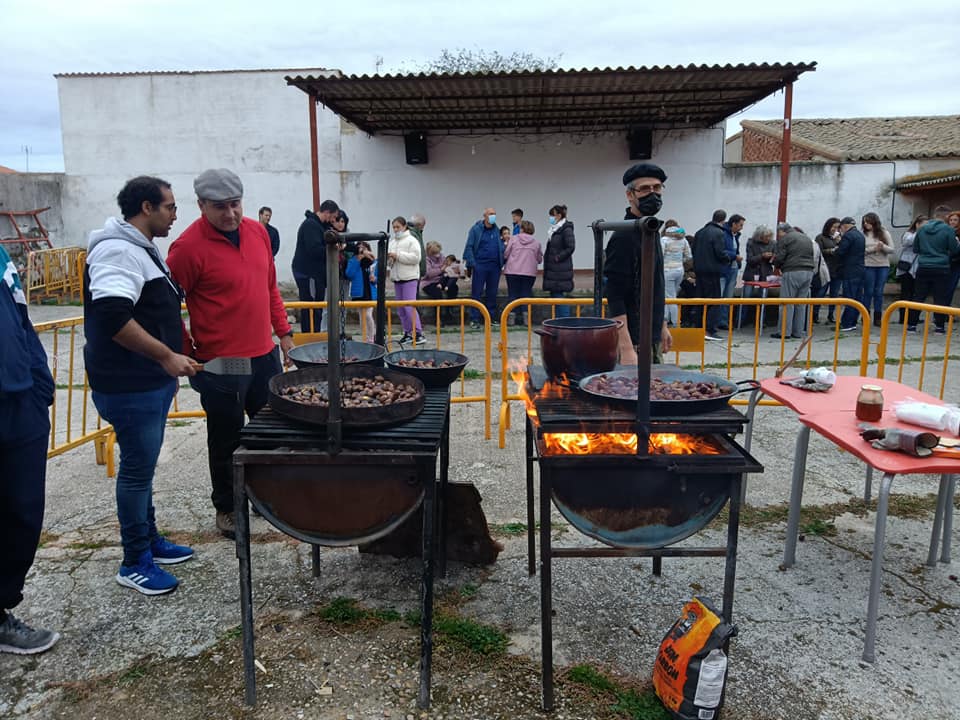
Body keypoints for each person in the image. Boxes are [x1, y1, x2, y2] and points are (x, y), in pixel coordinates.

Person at [84, 176, 198, 595]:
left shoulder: (139, 250)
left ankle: (149, 540)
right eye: (169, 206)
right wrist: (166, 356)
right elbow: (113, 317)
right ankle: (134, 560)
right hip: (129, 384)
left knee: (143, 467)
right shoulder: (117, 250)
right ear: (146, 208)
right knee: (135, 472)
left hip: (146, 381)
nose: (174, 214)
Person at [167, 168, 295, 539]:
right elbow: (168, 306)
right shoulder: (186, 249)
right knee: (226, 437)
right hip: (220, 362)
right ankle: (227, 507)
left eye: (235, 205)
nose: (230, 214)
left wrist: (284, 333)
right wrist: (187, 353)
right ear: (202, 205)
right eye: (220, 207)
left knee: (270, 431)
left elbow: (270, 287)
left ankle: (264, 497)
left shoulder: (257, 232)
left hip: (263, 354)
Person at [0, 244, 59, 654]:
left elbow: (21, 319)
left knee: (22, 512)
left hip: (21, 403)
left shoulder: (1, 255)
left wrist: (40, 383)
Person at [603, 163, 673, 365]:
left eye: (657, 188)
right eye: (644, 189)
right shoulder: (624, 236)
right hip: (633, 340)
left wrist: (661, 325)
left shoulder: (651, 231)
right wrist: (625, 348)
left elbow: (655, 285)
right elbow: (615, 294)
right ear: (630, 195)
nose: (652, 194)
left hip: (650, 337)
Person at [908, 207, 960, 333]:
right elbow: (954, 250)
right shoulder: (948, 230)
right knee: (940, 297)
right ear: (946, 217)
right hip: (941, 267)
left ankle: (911, 325)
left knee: (919, 296)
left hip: (924, 266)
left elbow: (916, 249)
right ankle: (939, 327)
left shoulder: (922, 229)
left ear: (934, 215)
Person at [292, 199, 339, 332]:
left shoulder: (320, 226)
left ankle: (314, 333)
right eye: (333, 217)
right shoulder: (310, 226)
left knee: (316, 307)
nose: (333, 220)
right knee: (311, 308)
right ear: (326, 212)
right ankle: (310, 336)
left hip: (316, 274)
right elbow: (314, 250)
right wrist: (333, 249)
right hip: (309, 274)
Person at [770, 222, 815, 339]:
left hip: (793, 271)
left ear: (781, 231)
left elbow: (780, 257)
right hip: (808, 271)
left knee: (787, 303)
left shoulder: (786, 238)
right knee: (801, 304)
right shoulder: (806, 238)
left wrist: (775, 263)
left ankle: (784, 332)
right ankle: (798, 332)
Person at [463, 208, 504, 329]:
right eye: (491, 214)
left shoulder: (497, 230)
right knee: (477, 292)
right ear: (485, 216)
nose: (493, 216)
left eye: (494, 214)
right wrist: (473, 263)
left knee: (492, 292)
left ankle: (490, 317)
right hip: (480, 265)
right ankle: (474, 318)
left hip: (494, 266)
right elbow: (469, 246)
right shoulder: (476, 229)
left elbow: (500, 246)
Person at [692, 210, 730, 341]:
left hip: (699, 270)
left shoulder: (700, 232)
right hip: (712, 271)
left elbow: (693, 250)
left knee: (700, 300)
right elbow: (720, 252)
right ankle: (709, 329)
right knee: (714, 301)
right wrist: (728, 259)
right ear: (723, 220)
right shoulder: (719, 233)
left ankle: (698, 328)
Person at [389, 216, 423, 344]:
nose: (396, 229)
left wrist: (398, 256)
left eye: (398, 227)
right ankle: (408, 331)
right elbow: (390, 262)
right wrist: (390, 260)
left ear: (404, 227)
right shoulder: (392, 242)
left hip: (409, 278)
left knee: (409, 307)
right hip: (397, 278)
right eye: (394, 227)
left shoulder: (412, 241)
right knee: (401, 308)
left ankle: (418, 332)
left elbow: (416, 258)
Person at [503, 219, 543, 326]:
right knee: (526, 294)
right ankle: (526, 320)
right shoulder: (536, 243)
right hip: (529, 273)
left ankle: (511, 319)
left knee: (512, 294)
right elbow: (539, 259)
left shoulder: (513, 239)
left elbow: (506, 254)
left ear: (522, 229)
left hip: (512, 271)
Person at [860, 212, 894, 328]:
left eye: (868, 221)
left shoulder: (884, 233)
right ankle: (865, 316)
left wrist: (882, 246)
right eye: (864, 222)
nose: (866, 224)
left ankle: (878, 317)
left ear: (874, 222)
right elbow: (861, 251)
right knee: (868, 291)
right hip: (868, 265)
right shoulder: (863, 235)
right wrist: (874, 249)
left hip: (883, 265)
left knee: (879, 291)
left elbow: (892, 249)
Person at [542, 204, 576, 319]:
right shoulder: (554, 230)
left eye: (553, 215)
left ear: (559, 215)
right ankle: (558, 321)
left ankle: (564, 321)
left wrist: (558, 257)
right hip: (553, 270)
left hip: (560, 270)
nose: (551, 218)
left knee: (559, 296)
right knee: (555, 296)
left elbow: (570, 247)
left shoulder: (565, 229)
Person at [836, 216, 866, 332]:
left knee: (849, 297)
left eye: (841, 228)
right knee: (857, 297)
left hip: (849, 270)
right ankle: (853, 322)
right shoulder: (860, 235)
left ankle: (846, 323)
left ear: (845, 226)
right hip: (860, 269)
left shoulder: (848, 236)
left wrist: (837, 248)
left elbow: (841, 252)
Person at [895, 215, 926, 324]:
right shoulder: (909, 234)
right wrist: (920, 232)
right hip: (907, 268)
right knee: (906, 293)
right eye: (923, 225)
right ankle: (903, 317)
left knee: (916, 294)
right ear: (917, 224)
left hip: (918, 268)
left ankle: (913, 317)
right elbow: (907, 242)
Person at [420, 241, 459, 326]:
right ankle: (438, 318)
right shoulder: (426, 259)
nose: (437, 255)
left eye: (438, 252)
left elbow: (447, 266)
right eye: (434, 253)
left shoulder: (442, 257)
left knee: (454, 287)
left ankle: (449, 313)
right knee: (437, 294)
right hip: (429, 282)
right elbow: (428, 273)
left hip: (441, 279)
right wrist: (441, 269)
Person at [344, 241, 377, 342]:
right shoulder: (353, 260)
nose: (363, 251)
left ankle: (372, 336)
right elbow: (349, 274)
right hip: (358, 293)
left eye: (365, 249)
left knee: (368, 315)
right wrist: (358, 260)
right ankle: (365, 337)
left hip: (370, 292)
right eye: (360, 249)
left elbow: (379, 276)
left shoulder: (373, 261)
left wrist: (374, 278)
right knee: (361, 317)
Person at [813, 218, 843, 324]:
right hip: (825, 269)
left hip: (837, 269)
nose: (835, 229)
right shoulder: (820, 237)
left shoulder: (840, 238)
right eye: (833, 227)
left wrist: (840, 242)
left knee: (834, 294)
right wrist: (830, 251)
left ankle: (831, 315)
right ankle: (814, 314)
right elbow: (817, 251)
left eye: (837, 227)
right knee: (821, 292)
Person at [661, 225, 691, 327]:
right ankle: (669, 319)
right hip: (680, 270)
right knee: (673, 295)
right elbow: (689, 256)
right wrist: (680, 261)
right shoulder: (683, 240)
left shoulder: (664, 240)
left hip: (667, 271)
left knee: (669, 297)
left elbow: (660, 255)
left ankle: (674, 322)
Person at [720, 214, 745, 319]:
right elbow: (721, 250)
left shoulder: (735, 236)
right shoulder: (723, 234)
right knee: (721, 295)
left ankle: (724, 320)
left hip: (733, 267)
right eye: (740, 225)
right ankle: (718, 319)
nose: (742, 228)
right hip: (724, 268)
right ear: (733, 224)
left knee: (729, 296)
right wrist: (735, 256)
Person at [407, 212, 428, 289]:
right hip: (413, 272)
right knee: (413, 295)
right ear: (419, 225)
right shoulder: (412, 234)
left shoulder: (416, 233)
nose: (423, 229)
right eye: (423, 226)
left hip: (415, 271)